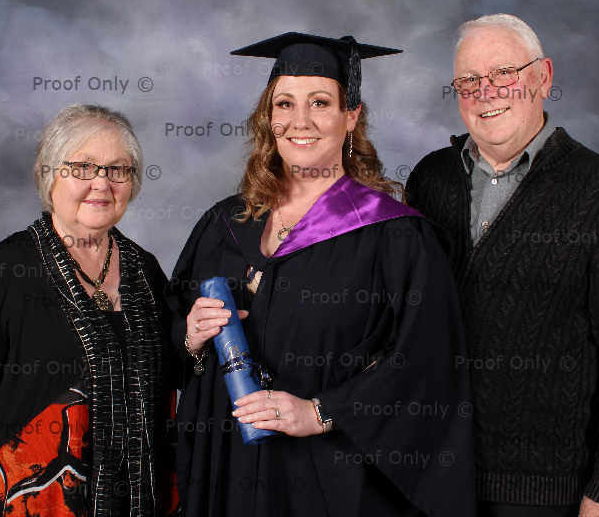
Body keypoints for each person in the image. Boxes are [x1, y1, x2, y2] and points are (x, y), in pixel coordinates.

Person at [165, 32, 476, 517]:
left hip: (327, 480)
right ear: (269, 118)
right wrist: (190, 336)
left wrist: (321, 412)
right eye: (284, 104)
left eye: (320, 103)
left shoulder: (394, 236)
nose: (300, 121)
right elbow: (170, 334)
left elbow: (428, 363)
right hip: (225, 472)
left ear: (351, 116)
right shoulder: (224, 223)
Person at [405, 14, 599, 517]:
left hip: (546, 493)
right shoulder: (429, 180)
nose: (485, 91)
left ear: (543, 76)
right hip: (430, 474)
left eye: (504, 73)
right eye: (468, 80)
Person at [0, 104, 180, 516]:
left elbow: (176, 377)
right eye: (83, 167)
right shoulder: (4, 273)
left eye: (117, 169)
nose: (101, 183)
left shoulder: (146, 271)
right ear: (49, 175)